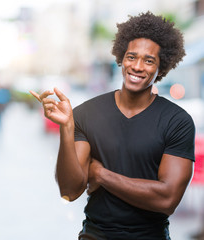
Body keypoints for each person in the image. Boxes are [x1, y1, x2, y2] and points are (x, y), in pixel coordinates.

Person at [30, 12, 195, 240]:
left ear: (161, 68)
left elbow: (167, 200)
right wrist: (67, 127)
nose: (137, 66)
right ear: (121, 58)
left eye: (149, 61)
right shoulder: (86, 114)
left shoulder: (177, 121)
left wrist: (101, 174)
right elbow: (69, 191)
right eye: (131, 57)